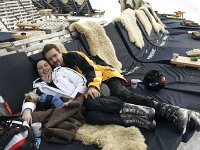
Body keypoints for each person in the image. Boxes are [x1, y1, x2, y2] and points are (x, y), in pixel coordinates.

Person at [22, 59, 200, 134]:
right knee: (91, 116)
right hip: (77, 107)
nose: (46, 67)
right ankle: (140, 118)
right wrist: (27, 111)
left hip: (91, 89)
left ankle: (167, 111)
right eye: (41, 67)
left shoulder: (63, 69)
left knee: (107, 100)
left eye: (48, 64)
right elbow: (29, 99)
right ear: (37, 72)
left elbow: (84, 78)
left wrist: (82, 93)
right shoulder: (39, 86)